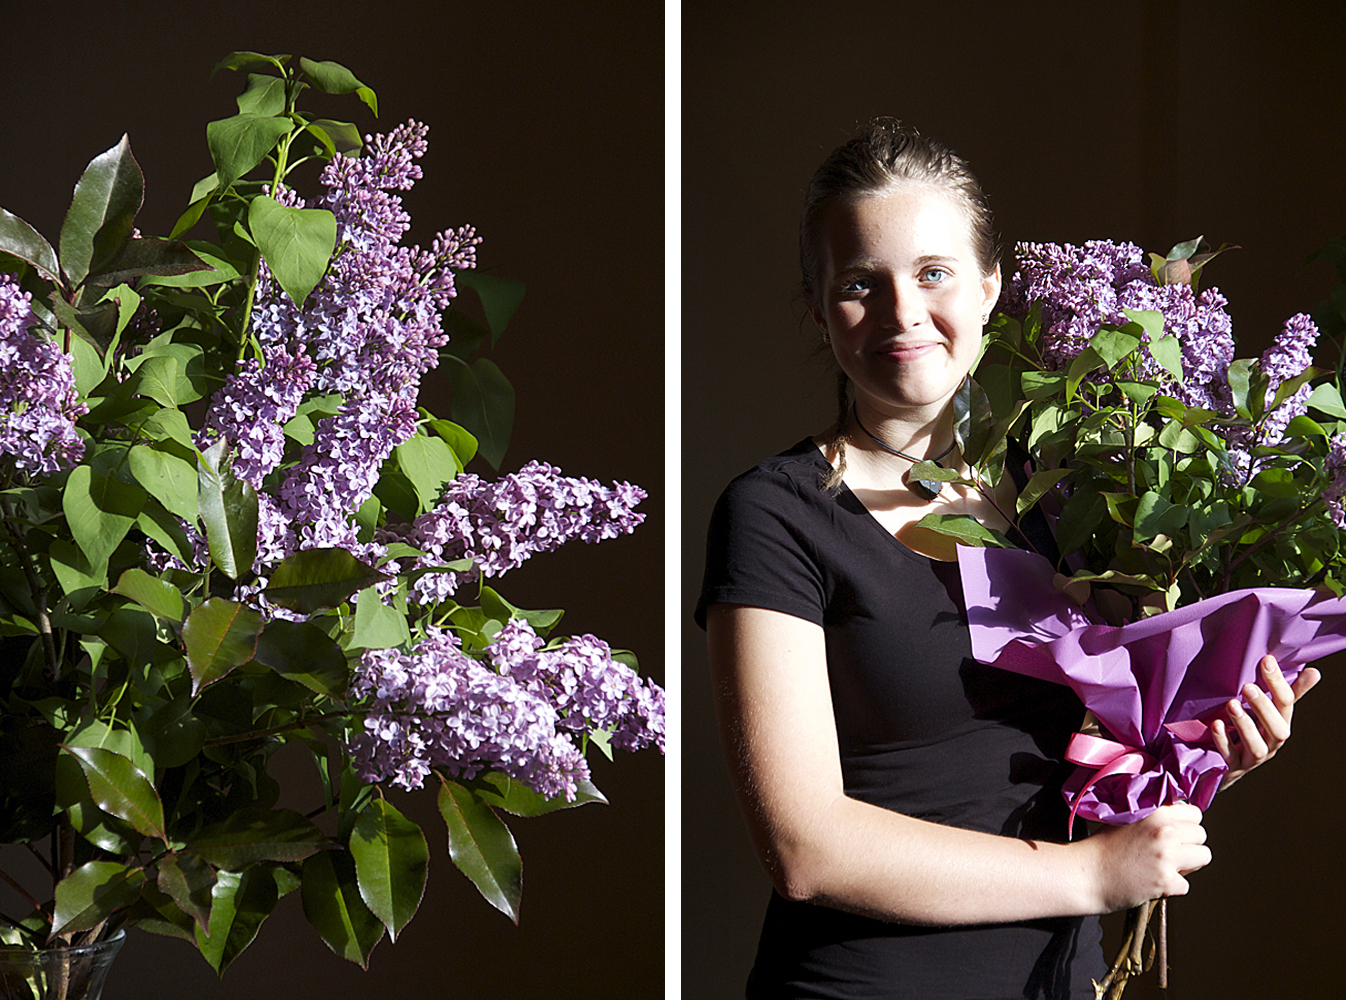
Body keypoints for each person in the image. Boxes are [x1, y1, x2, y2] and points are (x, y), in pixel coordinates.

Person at [695, 118, 1319, 999]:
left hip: (1060, 980)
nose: (903, 312)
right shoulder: (774, 513)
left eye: (934, 273)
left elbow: (1115, 748)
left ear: (991, 287)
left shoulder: (1073, 486)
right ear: (815, 307)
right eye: (859, 284)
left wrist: (1211, 742)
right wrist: (1091, 878)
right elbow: (805, 848)